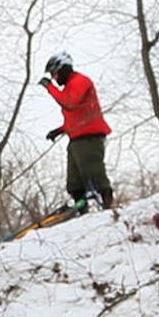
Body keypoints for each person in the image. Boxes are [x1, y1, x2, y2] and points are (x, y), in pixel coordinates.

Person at [39, 51, 114, 208]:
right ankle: (81, 208)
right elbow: (76, 117)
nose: (54, 78)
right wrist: (59, 130)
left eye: (54, 74)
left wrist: (50, 88)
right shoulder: (69, 86)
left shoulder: (80, 81)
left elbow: (70, 103)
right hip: (76, 138)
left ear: (63, 69)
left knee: (94, 172)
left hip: (90, 137)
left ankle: (108, 205)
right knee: (74, 181)